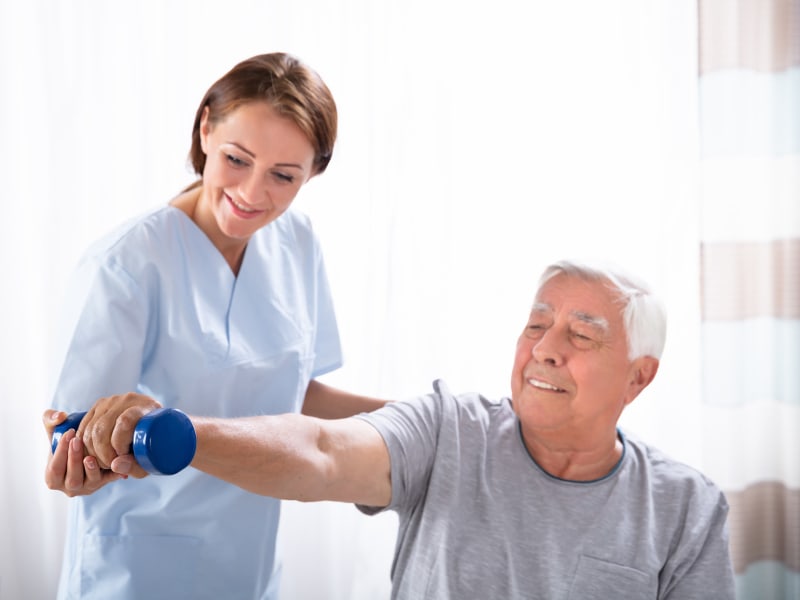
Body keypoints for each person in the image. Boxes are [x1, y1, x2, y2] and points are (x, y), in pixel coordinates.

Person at [46, 260, 737, 599]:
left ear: (639, 378)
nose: (546, 348)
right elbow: (318, 450)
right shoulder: (448, 428)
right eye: (536, 324)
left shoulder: (686, 507)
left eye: (581, 335)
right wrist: (178, 433)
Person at [43, 52, 386, 600]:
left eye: (283, 175)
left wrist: (415, 423)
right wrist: (82, 458)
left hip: (248, 563)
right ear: (206, 129)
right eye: (236, 158)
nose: (252, 193)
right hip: (137, 566)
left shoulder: (297, 244)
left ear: (314, 171)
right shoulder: (127, 265)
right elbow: (72, 437)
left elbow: (290, 392)